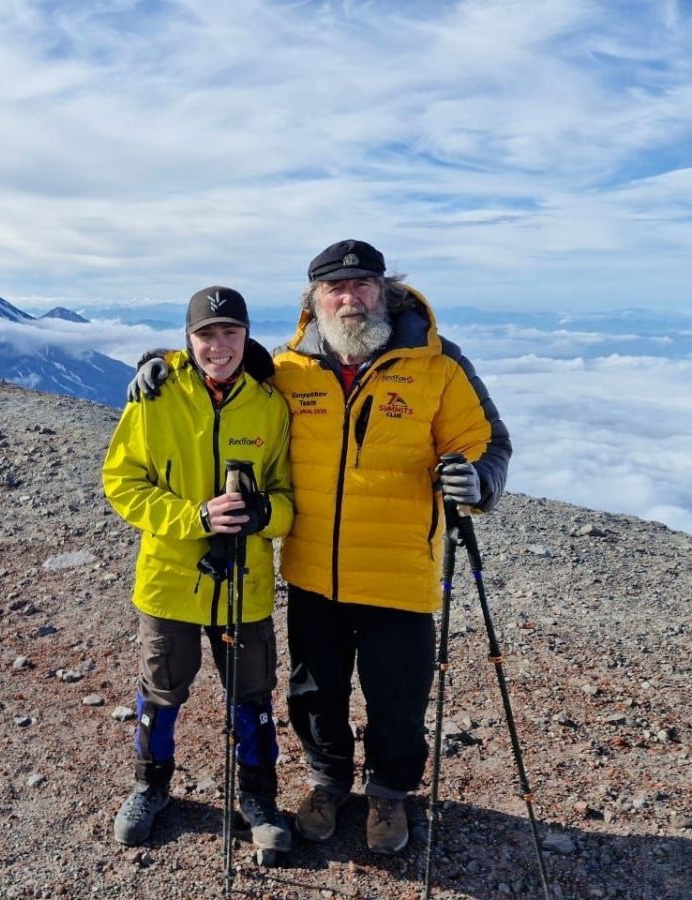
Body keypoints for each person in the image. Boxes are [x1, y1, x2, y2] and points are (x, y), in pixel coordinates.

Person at [128, 240, 511, 855]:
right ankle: (328, 782)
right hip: (315, 572)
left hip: (397, 569)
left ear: (384, 291)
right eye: (337, 288)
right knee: (315, 691)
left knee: (397, 694)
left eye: (362, 285)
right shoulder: (290, 369)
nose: (350, 297)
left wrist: (479, 480)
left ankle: (389, 794)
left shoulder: (438, 364)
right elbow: (219, 367)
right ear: (316, 300)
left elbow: (486, 442)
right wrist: (156, 363)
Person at [102, 286, 295, 850]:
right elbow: (122, 482)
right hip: (169, 580)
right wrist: (196, 517)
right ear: (189, 340)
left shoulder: (269, 405)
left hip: (245, 581)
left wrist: (265, 511)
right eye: (206, 334)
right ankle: (149, 786)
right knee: (161, 691)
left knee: (252, 695)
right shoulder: (155, 398)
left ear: (247, 336)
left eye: (230, 332)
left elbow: (288, 497)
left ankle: (258, 797)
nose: (219, 346)